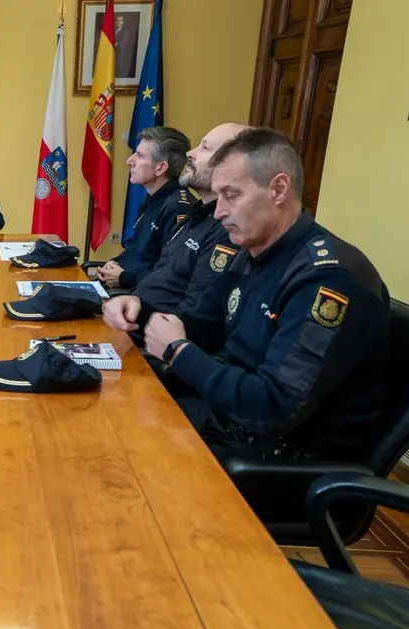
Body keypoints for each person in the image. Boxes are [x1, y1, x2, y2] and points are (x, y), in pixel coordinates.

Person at [104, 128, 389, 484]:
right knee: (106, 414)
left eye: (231, 195)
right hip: (230, 422)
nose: (219, 212)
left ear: (278, 189)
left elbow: (273, 409)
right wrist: (140, 309)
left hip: (281, 462)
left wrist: (177, 351)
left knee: (120, 466)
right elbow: (201, 325)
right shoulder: (253, 254)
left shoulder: (328, 279)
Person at [128, 123, 251, 319]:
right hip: (134, 314)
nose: (190, 154)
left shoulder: (228, 229)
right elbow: (161, 276)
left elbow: (195, 317)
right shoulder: (196, 216)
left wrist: (135, 311)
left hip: (149, 330)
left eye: (205, 148)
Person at [98, 126, 193, 290]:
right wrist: (114, 263)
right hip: (123, 286)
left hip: (138, 295)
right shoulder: (153, 196)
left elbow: (172, 274)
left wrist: (124, 277)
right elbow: (139, 250)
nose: (130, 161)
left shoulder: (178, 208)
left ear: (160, 167)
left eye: (140, 155)